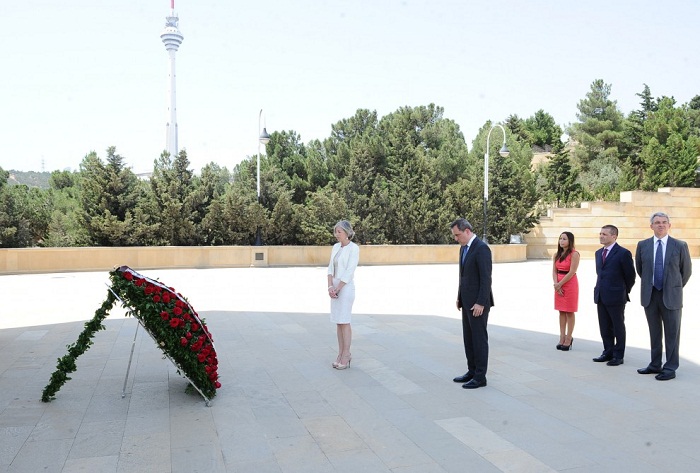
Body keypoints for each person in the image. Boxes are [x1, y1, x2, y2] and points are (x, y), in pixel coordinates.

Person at [635, 212, 692, 381]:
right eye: (657, 222)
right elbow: (640, 269)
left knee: (672, 333)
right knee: (654, 332)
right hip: (650, 295)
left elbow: (686, 271)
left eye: (664, 222)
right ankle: (655, 364)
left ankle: (670, 367)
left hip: (671, 296)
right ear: (651, 226)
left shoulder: (680, 245)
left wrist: (674, 286)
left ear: (669, 225)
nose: (661, 225)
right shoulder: (643, 245)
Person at [450, 218, 493, 389]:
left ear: (467, 231)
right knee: (468, 339)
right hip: (467, 302)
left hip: (478, 304)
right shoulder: (463, 248)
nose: (456, 239)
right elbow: (463, 277)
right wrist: (460, 297)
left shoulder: (481, 249)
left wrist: (481, 303)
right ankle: (472, 371)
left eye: (457, 235)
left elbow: (486, 279)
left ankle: (480, 376)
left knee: (479, 339)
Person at [592, 225, 636, 366]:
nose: (601, 236)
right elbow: (601, 274)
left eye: (604, 234)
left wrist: (622, 290)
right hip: (601, 295)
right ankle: (607, 351)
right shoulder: (598, 253)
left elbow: (630, 276)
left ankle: (618, 355)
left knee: (618, 326)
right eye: (600, 233)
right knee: (604, 326)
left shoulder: (623, 253)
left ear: (614, 236)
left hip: (616, 296)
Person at [327, 220, 360, 370]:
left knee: (344, 321)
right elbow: (330, 268)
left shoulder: (354, 249)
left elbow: (349, 271)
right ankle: (340, 353)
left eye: (339, 232)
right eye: (336, 232)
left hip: (345, 288)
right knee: (338, 321)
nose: (336, 235)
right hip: (334, 287)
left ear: (347, 233)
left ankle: (346, 354)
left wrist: (338, 288)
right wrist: (330, 287)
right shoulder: (335, 247)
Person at [552, 231, 580, 351]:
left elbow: (572, 271)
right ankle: (562, 336)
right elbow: (554, 271)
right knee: (561, 312)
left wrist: (560, 284)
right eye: (560, 239)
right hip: (558, 284)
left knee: (569, 311)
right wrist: (556, 285)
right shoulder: (556, 254)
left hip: (569, 284)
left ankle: (569, 337)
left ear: (570, 241)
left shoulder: (574, 254)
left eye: (564, 239)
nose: (561, 241)